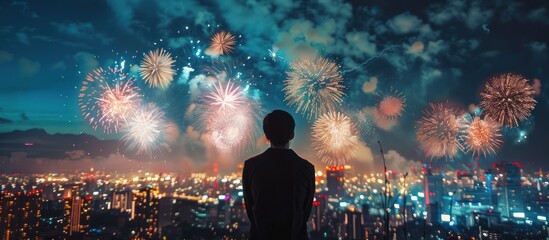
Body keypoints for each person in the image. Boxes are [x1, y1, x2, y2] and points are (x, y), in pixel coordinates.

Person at [243, 110, 315, 240]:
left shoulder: (251, 166)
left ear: (266, 136)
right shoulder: (306, 168)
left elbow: (251, 209)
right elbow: (305, 212)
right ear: (292, 134)